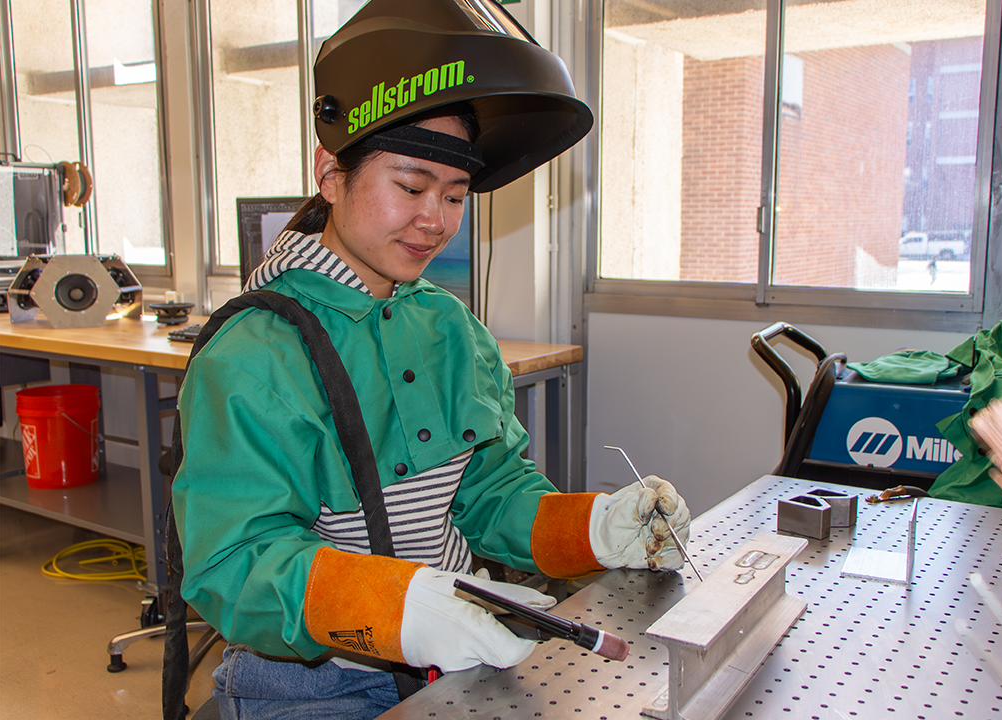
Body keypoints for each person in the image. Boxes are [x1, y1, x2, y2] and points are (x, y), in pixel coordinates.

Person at [171, 2, 692, 718]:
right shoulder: (255, 351)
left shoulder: (447, 325)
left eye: (454, 196)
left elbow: (487, 493)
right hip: (315, 680)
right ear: (331, 173)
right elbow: (233, 564)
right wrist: (396, 606)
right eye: (411, 187)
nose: (435, 220)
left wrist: (594, 527)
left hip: (459, 652)